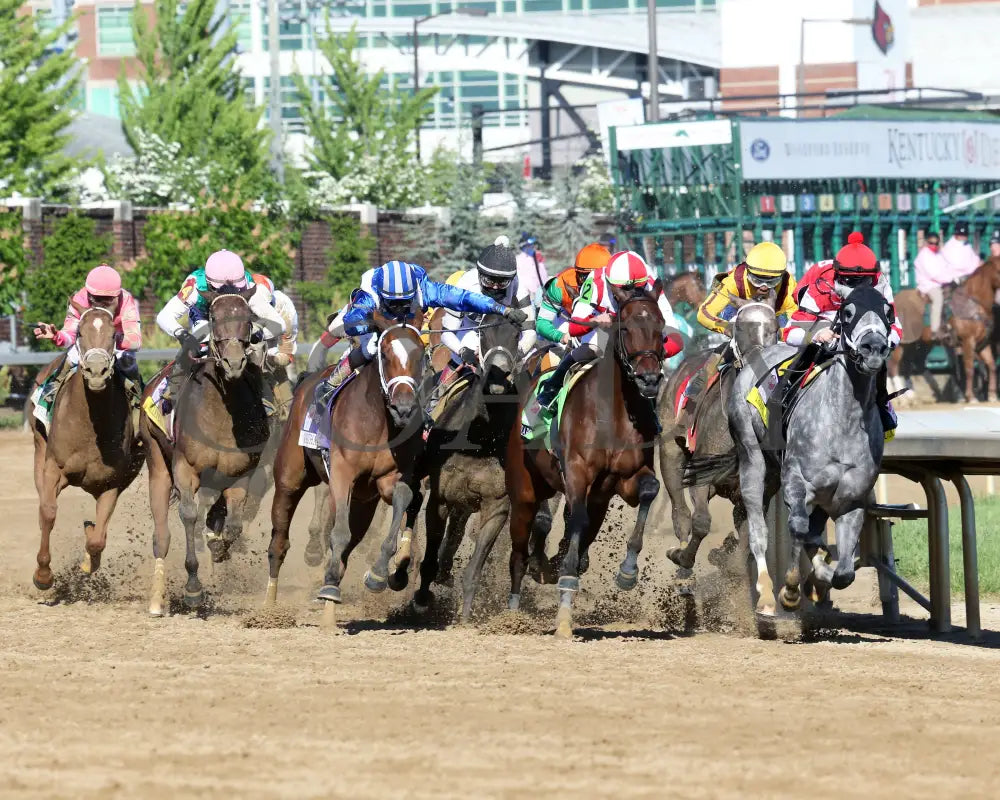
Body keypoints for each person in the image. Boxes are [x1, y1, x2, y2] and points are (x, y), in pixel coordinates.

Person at [310, 260, 528, 417]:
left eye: (405, 301)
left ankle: (424, 404)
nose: (400, 307)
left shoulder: (424, 289)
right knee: (372, 348)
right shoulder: (370, 296)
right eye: (394, 303)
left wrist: (503, 310)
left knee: (413, 352)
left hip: (402, 323)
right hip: (373, 320)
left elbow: (465, 298)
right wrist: (380, 323)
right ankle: (331, 384)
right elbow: (349, 325)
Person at [532, 250, 681, 421]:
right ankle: (549, 391)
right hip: (600, 328)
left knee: (650, 364)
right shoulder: (595, 281)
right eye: (624, 289)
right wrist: (595, 320)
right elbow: (574, 328)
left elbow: (677, 340)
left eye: (637, 289)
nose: (631, 294)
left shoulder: (650, 284)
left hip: (633, 336)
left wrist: (651, 354)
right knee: (590, 349)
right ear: (608, 280)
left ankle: (652, 415)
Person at [782, 231, 902, 437]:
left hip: (857, 329)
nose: (858, 288)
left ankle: (881, 403)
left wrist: (882, 342)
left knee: (877, 357)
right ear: (839, 275)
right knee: (801, 356)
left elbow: (896, 329)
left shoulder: (880, 284)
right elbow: (790, 333)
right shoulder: (820, 286)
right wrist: (816, 336)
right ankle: (782, 400)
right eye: (852, 281)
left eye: (864, 282)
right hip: (822, 322)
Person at [674, 240, 798, 431]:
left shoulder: (789, 286)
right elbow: (704, 313)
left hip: (771, 323)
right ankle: (688, 411)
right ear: (747, 271)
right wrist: (730, 329)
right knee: (712, 364)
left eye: (771, 282)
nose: (764, 287)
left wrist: (777, 332)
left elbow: (796, 317)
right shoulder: (733, 282)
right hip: (735, 318)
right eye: (757, 280)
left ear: (781, 276)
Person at [155, 250, 286, 408]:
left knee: (255, 349)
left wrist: (256, 335)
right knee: (199, 343)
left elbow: (278, 324)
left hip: (237, 321)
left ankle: (263, 394)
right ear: (209, 284)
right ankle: (173, 389)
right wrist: (183, 335)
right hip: (204, 320)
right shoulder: (195, 283)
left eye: (235, 288)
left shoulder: (249, 285)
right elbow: (164, 316)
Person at [32, 264, 143, 406]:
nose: (100, 303)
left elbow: (136, 341)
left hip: (115, 343)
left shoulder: (126, 300)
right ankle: (51, 392)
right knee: (72, 356)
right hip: (87, 345)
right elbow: (69, 336)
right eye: (95, 298)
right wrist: (57, 336)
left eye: (107, 299)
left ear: (117, 296)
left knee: (128, 361)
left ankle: (138, 399)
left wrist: (109, 339)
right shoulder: (79, 299)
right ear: (88, 293)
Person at [440, 236, 536, 382]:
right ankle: (436, 399)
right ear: (479, 274)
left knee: (526, 363)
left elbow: (530, 333)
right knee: (457, 360)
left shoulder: (518, 285)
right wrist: (463, 351)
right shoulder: (464, 285)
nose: (496, 287)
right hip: (469, 332)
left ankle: (535, 404)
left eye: (503, 282)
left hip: (502, 337)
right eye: (489, 280)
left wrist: (518, 352)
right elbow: (446, 334)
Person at [535, 242, 610, 347]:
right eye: (585, 277)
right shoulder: (559, 285)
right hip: (567, 317)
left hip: (597, 320)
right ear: (577, 272)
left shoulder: (616, 285)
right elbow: (542, 323)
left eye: (597, 277)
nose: (590, 282)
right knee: (567, 346)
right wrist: (561, 336)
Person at [913, 231, 950, 340]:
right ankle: (935, 330)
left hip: (941, 283)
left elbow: (946, 268)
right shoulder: (923, 256)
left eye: (936, 243)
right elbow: (932, 274)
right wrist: (948, 279)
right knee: (938, 299)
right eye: (931, 243)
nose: (933, 245)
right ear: (926, 242)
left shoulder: (939, 254)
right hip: (928, 285)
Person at [515, 232, 548, 301]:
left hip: (540, 294)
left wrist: (540, 263)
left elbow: (543, 277)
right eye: (529, 246)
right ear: (524, 247)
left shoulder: (537, 259)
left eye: (533, 246)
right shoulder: (519, 260)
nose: (532, 248)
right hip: (526, 295)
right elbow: (520, 279)